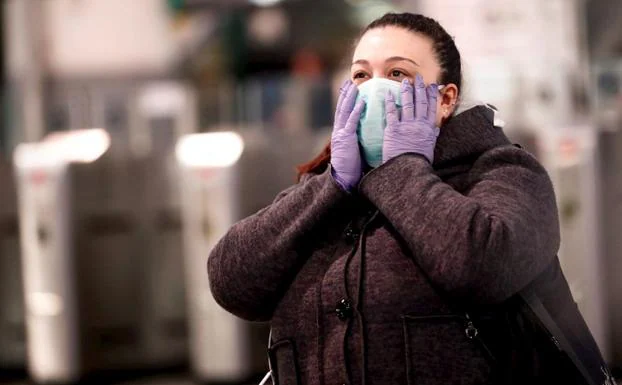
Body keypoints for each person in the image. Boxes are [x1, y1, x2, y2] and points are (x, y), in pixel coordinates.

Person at [208, 13, 612, 385]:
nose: (374, 89)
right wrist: (331, 185)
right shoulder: (326, 190)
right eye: (361, 75)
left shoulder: (505, 173)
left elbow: (480, 266)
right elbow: (231, 281)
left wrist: (400, 168)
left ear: (446, 98)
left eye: (397, 73)